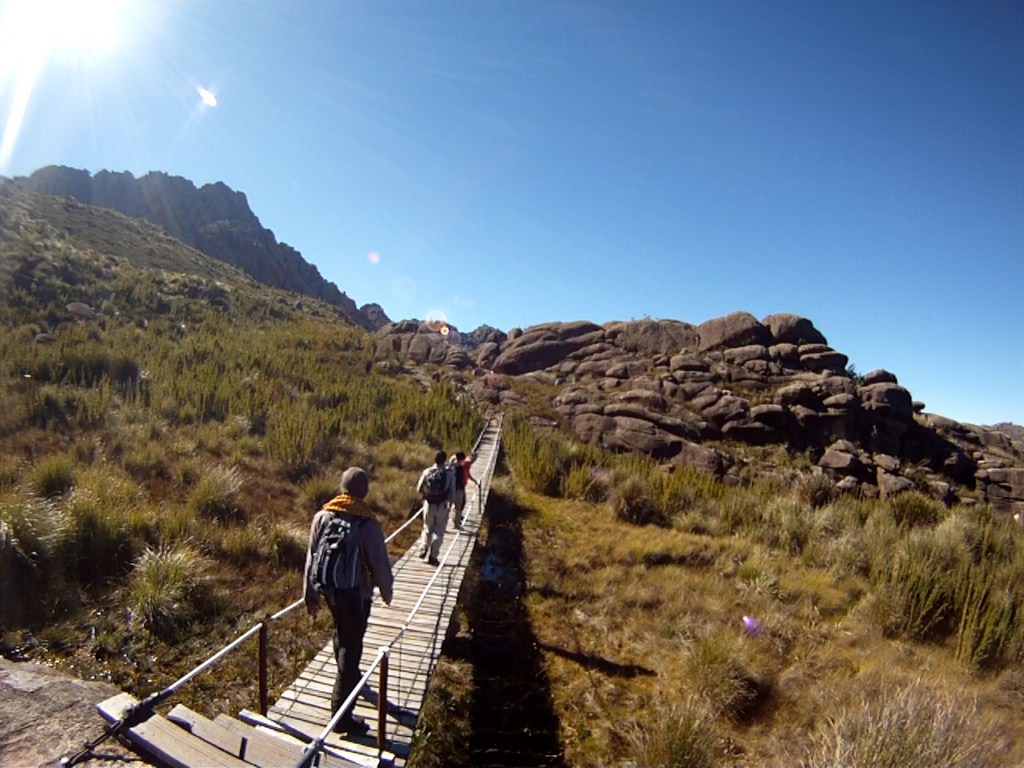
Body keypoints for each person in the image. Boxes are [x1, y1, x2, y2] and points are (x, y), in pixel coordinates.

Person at [303, 467, 394, 735]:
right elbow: (380, 564)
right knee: (351, 649)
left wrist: (309, 594)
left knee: (341, 633)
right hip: (357, 596)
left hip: (330, 592)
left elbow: (311, 557)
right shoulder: (368, 523)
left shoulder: (323, 515)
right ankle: (341, 717)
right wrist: (387, 593)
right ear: (364, 491)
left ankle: (347, 670)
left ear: (342, 487)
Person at [416, 449, 454, 566]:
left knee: (427, 527)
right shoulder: (449, 473)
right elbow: (452, 492)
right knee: (439, 532)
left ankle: (423, 547)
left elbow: (419, 489)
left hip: (429, 504)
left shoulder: (427, 472)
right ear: (445, 460)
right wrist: (449, 507)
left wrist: (426, 496)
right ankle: (433, 556)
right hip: (442, 506)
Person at [449, 451, 478, 530]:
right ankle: (456, 524)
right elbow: (465, 474)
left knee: (457, 506)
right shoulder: (463, 465)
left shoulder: (453, 466)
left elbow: (466, 474)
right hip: (459, 489)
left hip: (454, 489)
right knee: (459, 506)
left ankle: (454, 521)